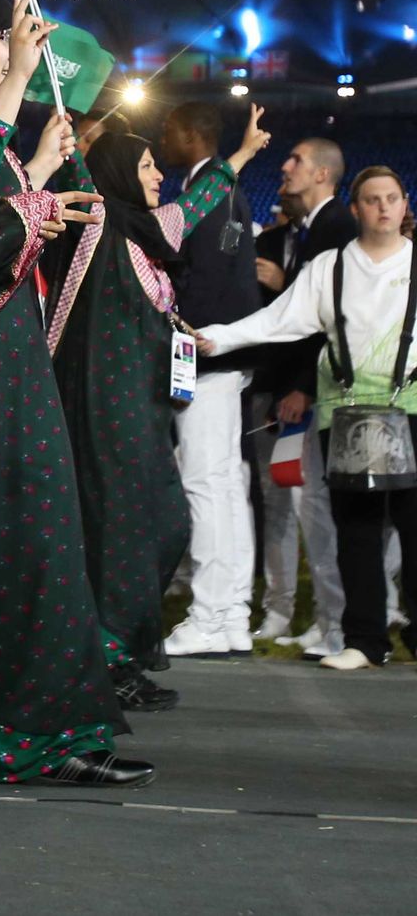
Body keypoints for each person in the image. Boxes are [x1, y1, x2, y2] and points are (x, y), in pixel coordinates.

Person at [0, 0, 149, 787]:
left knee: (31, 548)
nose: (9, 52)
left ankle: (46, 731)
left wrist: (40, 170)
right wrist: (13, 86)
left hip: (0, 373)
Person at [46, 109, 271, 705]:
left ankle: (115, 652)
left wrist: (244, 154)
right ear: (119, 171)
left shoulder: (150, 237)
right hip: (101, 407)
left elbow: (197, 204)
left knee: (163, 524)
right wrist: (69, 134)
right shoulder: (97, 222)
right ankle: (108, 664)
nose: (156, 177)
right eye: (145, 166)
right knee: (119, 533)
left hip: (140, 412)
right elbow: (86, 171)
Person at [200, 168, 416, 671]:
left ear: (404, 205)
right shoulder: (329, 268)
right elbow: (279, 321)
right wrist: (222, 337)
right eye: (372, 200)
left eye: (392, 198)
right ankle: (364, 641)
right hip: (345, 413)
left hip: (412, 410)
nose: (383, 207)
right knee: (355, 531)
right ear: (356, 208)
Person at [158, 103, 262, 658]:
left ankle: (210, 614)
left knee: (207, 486)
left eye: (168, 130)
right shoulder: (224, 190)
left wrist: (180, 335)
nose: (162, 138)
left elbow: (208, 286)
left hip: (208, 360)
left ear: (193, 135)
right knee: (225, 487)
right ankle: (230, 616)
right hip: (223, 359)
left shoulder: (211, 194)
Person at [252, 139, 355, 657]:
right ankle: (322, 619)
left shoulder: (338, 227)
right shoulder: (307, 230)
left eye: (293, 160)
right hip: (292, 388)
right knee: (296, 503)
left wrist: (301, 388)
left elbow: (325, 321)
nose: (284, 167)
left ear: (319, 173)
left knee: (316, 508)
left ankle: (337, 623)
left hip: (315, 392)